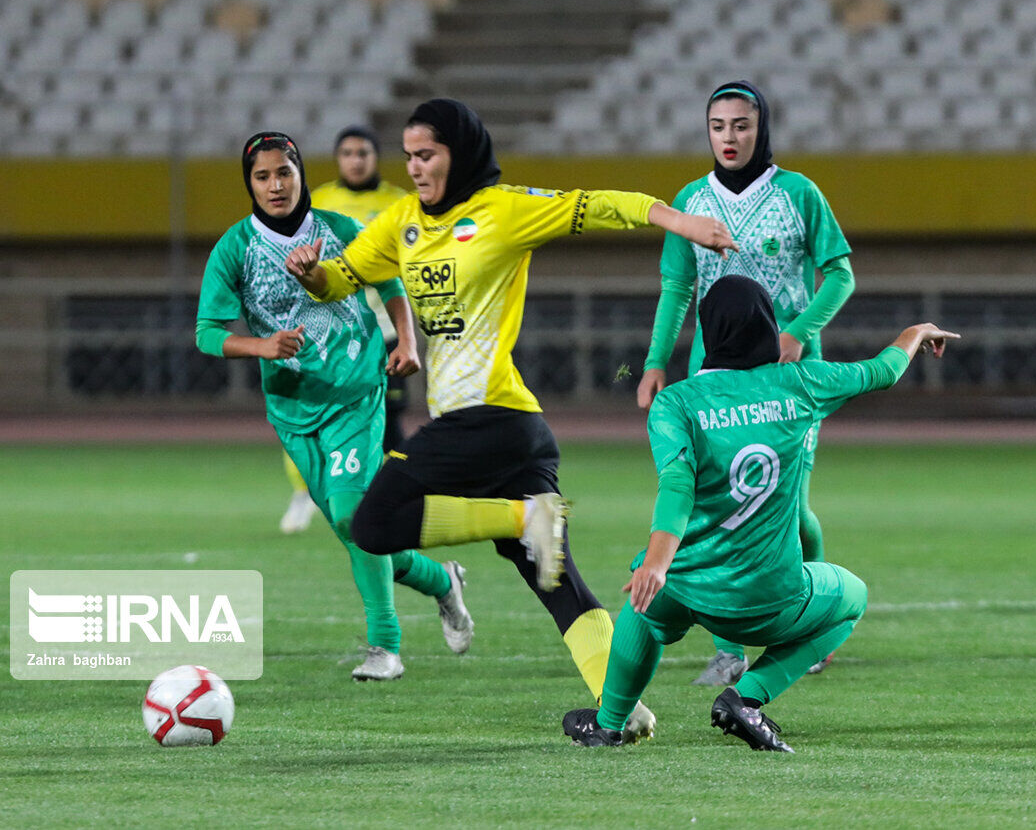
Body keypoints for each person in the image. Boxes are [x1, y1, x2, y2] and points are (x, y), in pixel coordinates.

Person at [284, 98, 738, 736]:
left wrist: (680, 221)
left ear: (460, 153)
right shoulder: (401, 222)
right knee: (556, 584)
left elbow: (598, 204)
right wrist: (313, 276)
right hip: (510, 433)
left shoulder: (501, 210)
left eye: (428, 155)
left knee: (375, 521)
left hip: (490, 418)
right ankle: (624, 712)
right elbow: (344, 277)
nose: (414, 167)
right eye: (409, 155)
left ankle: (524, 519)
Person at [563, 276, 958, 751]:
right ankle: (746, 698)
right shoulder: (800, 381)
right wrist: (914, 332)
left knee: (644, 604)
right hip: (769, 600)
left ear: (707, 335)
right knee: (853, 597)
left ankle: (609, 723)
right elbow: (882, 370)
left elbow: (677, 486)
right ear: (769, 328)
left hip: (691, 588)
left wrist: (657, 563)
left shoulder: (677, 402)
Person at [195, 130, 474, 681]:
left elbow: (393, 282)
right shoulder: (236, 248)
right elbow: (206, 332)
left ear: (301, 174)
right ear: (249, 184)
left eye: (284, 173)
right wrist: (260, 346)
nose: (275, 185)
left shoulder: (340, 230)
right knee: (357, 531)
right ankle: (443, 581)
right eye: (262, 176)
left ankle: (385, 648)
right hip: (293, 408)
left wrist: (408, 342)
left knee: (353, 514)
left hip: (354, 392)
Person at [636, 80, 856, 685]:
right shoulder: (690, 199)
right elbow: (678, 288)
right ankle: (733, 644)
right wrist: (656, 362)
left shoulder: (799, 193)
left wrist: (799, 331)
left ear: (763, 129)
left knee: (794, 507)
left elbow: (839, 275)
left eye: (741, 125)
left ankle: (802, 617)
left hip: (786, 378)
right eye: (718, 126)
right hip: (714, 377)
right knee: (716, 501)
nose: (729, 137)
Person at [278, 125, 411, 535]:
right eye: (349, 153)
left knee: (389, 416)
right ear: (338, 158)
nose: (356, 160)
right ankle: (306, 494)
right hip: (331, 329)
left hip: (383, 325)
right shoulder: (318, 201)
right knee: (311, 412)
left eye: (364, 152)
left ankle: (395, 496)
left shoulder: (399, 202)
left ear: (376, 157)